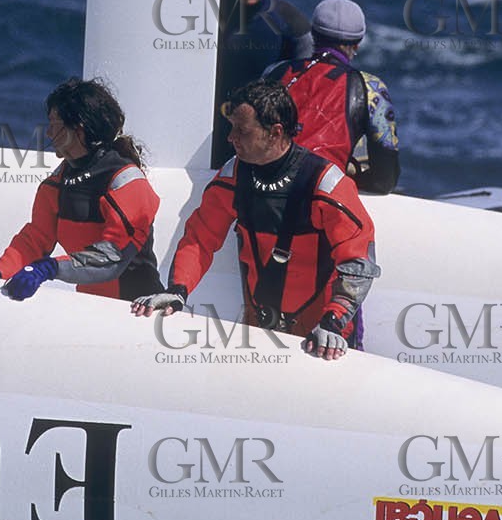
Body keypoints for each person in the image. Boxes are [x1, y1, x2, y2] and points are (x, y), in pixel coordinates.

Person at [132, 80, 378, 360]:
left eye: (242, 130)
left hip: (325, 336)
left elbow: (358, 262)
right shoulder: (233, 175)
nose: (230, 138)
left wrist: (333, 321)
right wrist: (177, 290)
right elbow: (201, 239)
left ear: (275, 133)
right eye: (232, 128)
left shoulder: (326, 184)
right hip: (261, 328)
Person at [0, 78, 164, 303]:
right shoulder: (58, 182)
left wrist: (52, 268)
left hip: (139, 312)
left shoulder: (127, 182)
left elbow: (113, 257)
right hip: (93, 309)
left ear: (79, 130)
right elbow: (35, 240)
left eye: (55, 125)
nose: (49, 134)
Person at [269, 0, 400, 195]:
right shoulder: (371, 88)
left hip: (264, 189)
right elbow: (385, 180)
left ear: (313, 35)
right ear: (357, 44)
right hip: (318, 200)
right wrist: (351, 173)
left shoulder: (276, 73)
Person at [211, 0, 312, 168]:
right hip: (210, 127)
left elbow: (305, 88)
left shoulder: (290, 22)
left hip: (257, 134)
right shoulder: (212, 7)